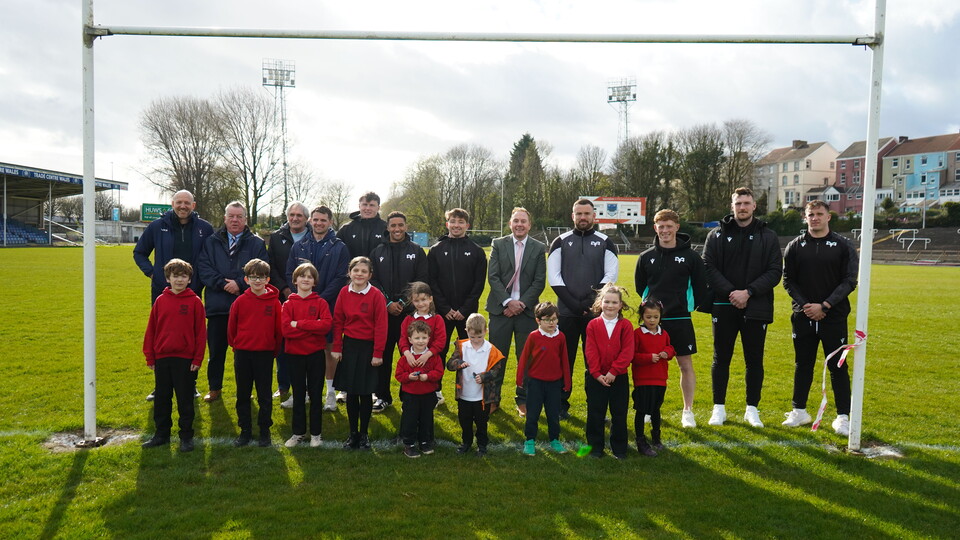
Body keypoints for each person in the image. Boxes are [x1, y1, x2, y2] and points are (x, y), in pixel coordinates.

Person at [702, 187, 782, 428]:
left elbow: (775, 271)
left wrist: (748, 292)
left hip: (755, 306)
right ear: (732, 206)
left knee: (754, 359)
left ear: (754, 206)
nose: (742, 207)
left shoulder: (768, 236)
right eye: (738, 203)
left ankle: (752, 409)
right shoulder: (716, 235)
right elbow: (708, 266)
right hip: (723, 305)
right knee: (721, 357)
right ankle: (719, 408)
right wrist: (731, 293)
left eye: (746, 203)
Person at [781, 200, 859, 436]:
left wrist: (825, 305)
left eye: (819, 214)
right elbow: (788, 280)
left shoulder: (843, 246)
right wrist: (806, 305)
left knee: (837, 365)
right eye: (810, 214)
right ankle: (799, 411)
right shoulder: (795, 246)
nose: (814, 218)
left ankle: (843, 417)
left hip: (833, 316)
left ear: (828, 217)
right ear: (805, 218)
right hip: (803, 316)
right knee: (802, 364)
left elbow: (849, 281)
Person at [133, 189, 214, 401]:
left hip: (193, 292)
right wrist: (152, 272)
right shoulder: (157, 226)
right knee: (162, 335)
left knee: (192, 336)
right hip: (163, 291)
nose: (183, 206)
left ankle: (191, 384)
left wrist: (201, 281)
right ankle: (160, 385)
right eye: (179, 202)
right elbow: (139, 252)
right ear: (172, 204)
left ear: (193, 205)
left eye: (187, 203)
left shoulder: (204, 228)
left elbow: (212, 256)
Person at [634, 209, 707, 428]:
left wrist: (685, 308)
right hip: (653, 321)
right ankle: (648, 410)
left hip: (680, 319)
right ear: (655, 229)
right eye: (661, 227)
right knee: (650, 364)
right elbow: (641, 287)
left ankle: (688, 411)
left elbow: (700, 288)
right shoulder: (646, 257)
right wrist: (652, 311)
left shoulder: (692, 257)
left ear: (677, 227)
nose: (665, 231)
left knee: (685, 364)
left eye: (669, 226)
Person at [548, 198, 619, 419]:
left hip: (595, 315)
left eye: (587, 214)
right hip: (567, 313)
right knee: (564, 360)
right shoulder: (560, 241)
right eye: (578, 214)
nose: (583, 218)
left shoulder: (606, 241)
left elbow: (610, 276)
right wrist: (574, 304)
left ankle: (596, 407)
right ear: (572, 216)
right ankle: (560, 405)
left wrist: (589, 302)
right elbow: (554, 277)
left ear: (594, 216)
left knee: (596, 362)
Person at [198, 201, 269, 403]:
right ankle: (214, 388)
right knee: (216, 351)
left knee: (247, 354)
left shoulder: (256, 243)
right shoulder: (211, 241)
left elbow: (262, 269)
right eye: (231, 216)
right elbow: (204, 268)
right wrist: (223, 284)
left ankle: (248, 390)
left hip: (247, 308)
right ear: (225, 218)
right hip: (218, 306)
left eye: (239, 216)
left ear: (245, 219)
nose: (235, 220)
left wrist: (240, 283)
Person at [285, 206, 350, 412]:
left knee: (329, 349)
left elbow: (341, 277)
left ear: (330, 222)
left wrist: (319, 299)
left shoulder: (339, 246)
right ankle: (301, 393)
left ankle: (330, 393)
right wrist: (304, 297)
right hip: (301, 306)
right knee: (304, 348)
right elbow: (290, 273)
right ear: (310, 221)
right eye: (315, 219)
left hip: (328, 305)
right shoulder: (299, 246)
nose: (319, 223)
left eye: (323, 220)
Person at [141, 259, 206, 453]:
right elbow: (151, 330)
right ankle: (161, 435)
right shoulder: (161, 300)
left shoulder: (195, 302)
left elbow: (201, 333)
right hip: (162, 357)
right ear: (168, 278)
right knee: (162, 398)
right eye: (175, 276)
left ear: (189, 279)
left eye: (183, 276)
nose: (179, 280)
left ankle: (186, 437)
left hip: (185, 360)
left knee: (185, 400)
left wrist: (197, 359)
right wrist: (150, 356)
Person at [486, 207, 546, 417]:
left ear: (529, 225)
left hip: (526, 312)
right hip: (500, 310)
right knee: (496, 357)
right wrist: (508, 302)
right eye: (516, 221)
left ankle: (523, 400)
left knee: (526, 358)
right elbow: (493, 276)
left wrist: (520, 304)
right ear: (510, 224)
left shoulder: (538, 248)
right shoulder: (498, 244)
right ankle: (492, 399)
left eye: (523, 221)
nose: (519, 224)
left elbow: (539, 281)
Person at [369, 211, 428, 412]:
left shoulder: (417, 250)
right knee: (382, 356)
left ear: (405, 226)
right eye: (393, 225)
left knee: (410, 354)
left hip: (408, 314)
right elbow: (373, 280)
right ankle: (382, 396)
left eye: (400, 225)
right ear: (387, 227)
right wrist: (387, 303)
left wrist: (402, 302)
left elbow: (420, 280)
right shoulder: (377, 251)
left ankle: (408, 396)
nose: (397, 229)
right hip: (384, 314)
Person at [427, 208, 488, 392]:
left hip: (467, 314)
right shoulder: (436, 250)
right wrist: (445, 308)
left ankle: (468, 390)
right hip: (442, 312)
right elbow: (432, 281)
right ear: (447, 224)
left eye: (461, 222)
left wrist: (464, 309)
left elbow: (478, 285)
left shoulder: (476, 252)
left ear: (467, 226)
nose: (456, 225)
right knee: (439, 350)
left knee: (469, 352)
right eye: (453, 221)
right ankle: (435, 391)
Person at [331, 256, 388, 450]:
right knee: (351, 392)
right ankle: (352, 433)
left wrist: (378, 353)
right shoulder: (343, 293)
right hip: (350, 347)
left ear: (370, 275)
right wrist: (337, 347)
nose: (359, 274)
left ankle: (364, 434)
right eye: (356, 270)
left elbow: (381, 325)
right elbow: (338, 321)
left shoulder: (376, 295)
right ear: (350, 272)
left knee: (365, 393)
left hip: (369, 348)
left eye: (364, 271)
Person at [227, 258, 282, 447]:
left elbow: (278, 331)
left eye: (261, 277)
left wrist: (271, 350)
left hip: (265, 354)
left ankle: (264, 430)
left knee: (264, 394)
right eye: (253, 277)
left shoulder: (274, 303)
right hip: (243, 353)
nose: (257, 281)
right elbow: (231, 329)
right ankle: (245, 431)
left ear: (268, 280)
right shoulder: (240, 301)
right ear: (246, 279)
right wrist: (237, 346)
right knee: (243, 393)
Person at [282, 262, 333, 448]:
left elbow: (326, 326)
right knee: (298, 395)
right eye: (302, 276)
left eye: (310, 277)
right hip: (294, 355)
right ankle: (298, 432)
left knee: (315, 395)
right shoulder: (288, 304)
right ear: (295, 280)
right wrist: (312, 326)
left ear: (314, 282)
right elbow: (286, 330)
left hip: (315, 355)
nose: (306, 279)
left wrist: (300, 324)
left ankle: (316, 434)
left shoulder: (320, 303)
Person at [583, 283, 634, 459]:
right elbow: (590, 351)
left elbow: (627, 352)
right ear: (600, 303)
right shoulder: (593, 325)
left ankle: (619, 448)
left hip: (618, 377)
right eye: (607, 302)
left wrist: (614, 371)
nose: (610, 306)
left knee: (619, 413)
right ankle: (595, 448)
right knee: (595, 412)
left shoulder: (625, 326)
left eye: (614, 302)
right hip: (597, 378)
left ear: (620, 305)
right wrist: (596, 374)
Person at [446, 313, 505, 457]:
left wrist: (484, 377)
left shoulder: (491, 350)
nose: (476, 340)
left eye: (479, 337)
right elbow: (449, 364)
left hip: (481, 398)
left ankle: (482, 445)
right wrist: (459, 364)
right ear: (467, 331)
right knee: (464, 422)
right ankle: (466, 443)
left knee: (481, 423)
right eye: (472, 337)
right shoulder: (462, 346)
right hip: (464, 395)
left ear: (486, 331)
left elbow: (497, 371)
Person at [516, 301, 571, 456]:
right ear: (538, 321)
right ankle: (530, 440)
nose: (551, 323)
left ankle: (555, 440)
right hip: (535, 383)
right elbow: (524, 358)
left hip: (554, 384)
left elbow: (565, 360)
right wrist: (519, 378)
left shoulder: (560, 337)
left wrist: (567, 381)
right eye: (547, 319)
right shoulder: (533, 337)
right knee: (532, 413)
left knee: (553, 414)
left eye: (554, 319)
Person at [268, 202, 310, 401]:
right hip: (283, 296)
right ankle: (283, 385)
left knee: (306, 339)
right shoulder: (276, 238)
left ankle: (308, 385)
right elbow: (272, 266)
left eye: (299, 215)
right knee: (284, 341)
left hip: (308, 297)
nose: (295, 218)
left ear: (306, 218)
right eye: (292, 214)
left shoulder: (314, 236)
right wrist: (284, 289)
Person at [631, 299, 676, 457]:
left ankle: (656, 438)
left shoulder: (664, 333)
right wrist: (648, 358)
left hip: (660, 379)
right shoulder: (637, 334)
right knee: (641, 410)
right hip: (643, 380)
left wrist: (667, 353)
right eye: (648, 317)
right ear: (642, 316)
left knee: (656, 409)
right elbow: (633, 356)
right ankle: (640, 440)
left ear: (660, 317)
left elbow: (671, 348)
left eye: (655, 317)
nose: (652, 320)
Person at [394, 320, 444, 458]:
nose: (420, 341)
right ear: (410, 339)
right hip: (411, 395)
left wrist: (427, 376)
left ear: (429, 338)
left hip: (428, 395)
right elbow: (398, 375)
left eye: (424, 338)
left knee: (426, 419)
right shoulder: (405, 359)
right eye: (417, 338)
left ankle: (425, 442)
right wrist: (409, 377)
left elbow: (439, 372)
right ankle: (408, 445)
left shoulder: (434, 357)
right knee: (410, 420)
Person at [397, 281, 446, 407]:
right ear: (412, 302)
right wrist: (407, 354)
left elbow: (440, 341)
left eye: (423, 299)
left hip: (429, 360)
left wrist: (427, 355)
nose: (420, 304)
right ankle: (407, 403)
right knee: (410, 381)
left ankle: (430, 401)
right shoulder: (408, 319)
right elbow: (402, 339)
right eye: (417, 301)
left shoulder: (437, 319)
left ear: (430, 299)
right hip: (411, 360)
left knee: (427, 383)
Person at [337, 191, 387, 259]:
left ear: (378, 208)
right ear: (359, 206)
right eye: (365, 204)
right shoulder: (346, 229)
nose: (368, 208)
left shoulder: (386, 228)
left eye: (372, 205)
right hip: (352, 269)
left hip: (380, 269)